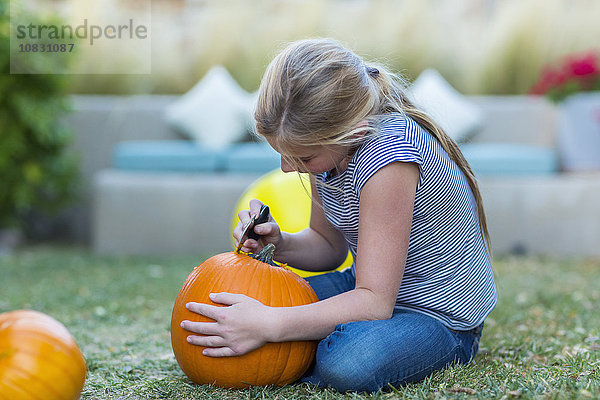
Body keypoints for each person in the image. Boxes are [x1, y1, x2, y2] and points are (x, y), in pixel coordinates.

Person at [179, 38, 497, 393]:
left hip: (435, 316)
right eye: (283, 155)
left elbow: (375, 302)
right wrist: (280, 243)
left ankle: (303, 343)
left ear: (353, 132)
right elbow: (329, 248)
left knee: (347, 363)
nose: (287, 169)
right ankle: (298, 337)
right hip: (366, 285)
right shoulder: (330, 151)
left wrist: (273, 324)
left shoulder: (388, 161)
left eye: (302, 159)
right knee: (229, 309)